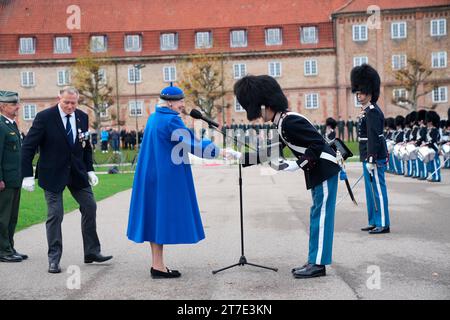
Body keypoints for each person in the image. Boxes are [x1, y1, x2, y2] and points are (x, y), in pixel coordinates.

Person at [234, 75, 341, 279]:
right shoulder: (282, 121)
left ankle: (318, 264)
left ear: (265, 104)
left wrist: (298, 164)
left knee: (321, 218)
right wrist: (241, 157)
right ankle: (314, 260)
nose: (257, 114)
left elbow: (318, 143)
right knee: (316, 215)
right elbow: (271, 152)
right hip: (319, 172)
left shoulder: (290, 121)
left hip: (325, 170)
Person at [127, 84, 229, 279]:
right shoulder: (171, 120)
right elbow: (191, 143)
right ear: (170, 103)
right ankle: (158, 266)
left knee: (154, 220)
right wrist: (218, 151)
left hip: (150, 175)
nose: (183, 104)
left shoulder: (154, 117)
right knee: (160, 218)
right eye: (180, 101)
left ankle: (158, 265)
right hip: (165, 176)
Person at [21, 86, 112, 273]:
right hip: (52, 173)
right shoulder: (44, 118)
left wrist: (90, 170)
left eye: (73, 103)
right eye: (66, 102)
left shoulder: (82, 117)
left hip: (77, 172)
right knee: (55, 214)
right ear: (58, 99)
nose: (70, 106)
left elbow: (85, 146)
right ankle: (54, 258)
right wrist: (27, 175)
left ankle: (92, 252)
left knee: (90, 206)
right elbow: (28, 147)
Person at [352, 64, 390, 234]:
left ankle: (383, 222)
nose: (359, 95)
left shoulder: (373, 111)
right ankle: (374, 220)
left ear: (370, 92)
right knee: (370, 191)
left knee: (378, 191)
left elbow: (374, 136)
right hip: (367, 155)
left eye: (362, 92)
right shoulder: (366, 111)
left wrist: (371, 158)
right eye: (357, 92)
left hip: (373, 155)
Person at [0, 91, 28, 263]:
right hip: (5, 181)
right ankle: (3, 250)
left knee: (12, 217)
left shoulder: (11, 125)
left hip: (14, 178)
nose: (17, 107)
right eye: (13, 104)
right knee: (3, 217)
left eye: (16, 103)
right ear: (2, 106)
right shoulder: (1, 125)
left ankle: (9, 246)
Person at [425, 111, 441, 182]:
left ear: (431, 122)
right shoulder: (430, 130)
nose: (427, 123)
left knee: (435, 163)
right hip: (430, 149)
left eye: (428, 121)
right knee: (431, 163)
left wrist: (428, 144)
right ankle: (433, 176)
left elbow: (433, 140)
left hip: (434, 148)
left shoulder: (435, 130)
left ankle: (437, 177)